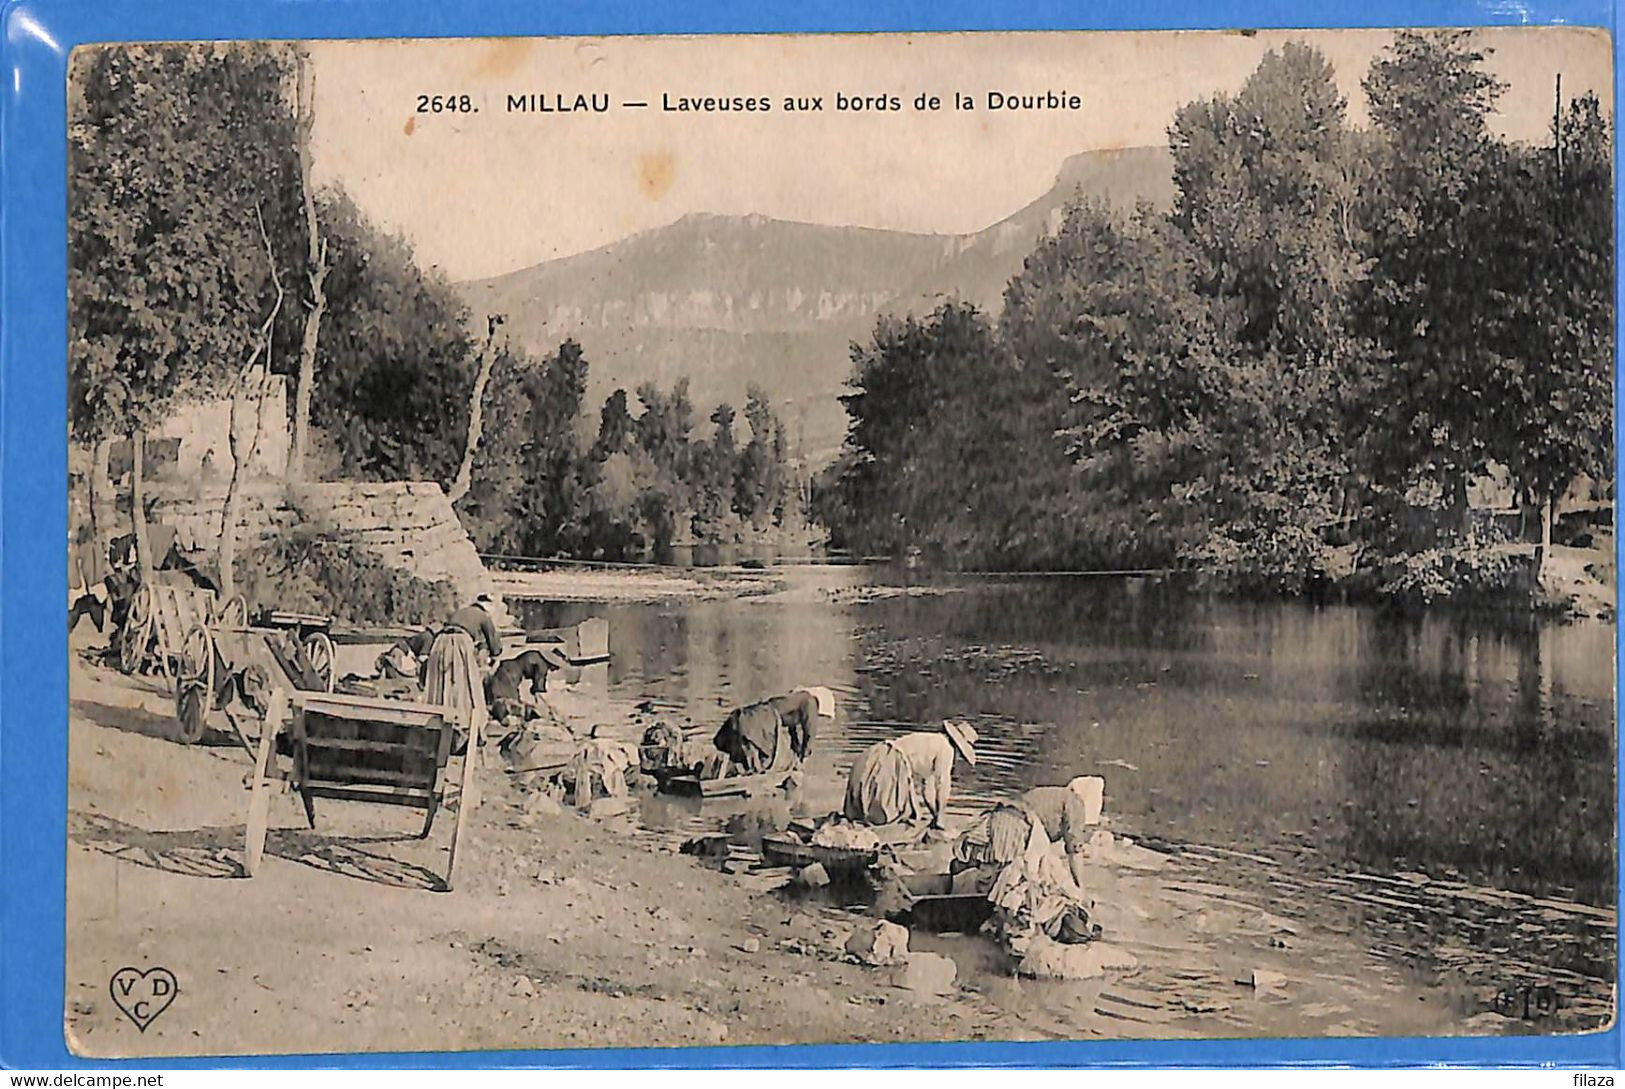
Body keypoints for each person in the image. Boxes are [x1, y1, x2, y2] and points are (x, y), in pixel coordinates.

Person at [843, 719, 977, 830]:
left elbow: (928, 791)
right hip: (893, 761)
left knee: (869, 804)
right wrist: (941, 817)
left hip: (879, 754)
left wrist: (935, 815)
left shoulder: (935, 741)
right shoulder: (946, 749)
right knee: (900, 813)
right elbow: (942, 784)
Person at [710, 686, 836, 777]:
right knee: (762, 762)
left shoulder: (797, 701)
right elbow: (810, 734)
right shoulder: (810, 702)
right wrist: (804, 760)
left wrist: (798, 753)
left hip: (754, 714)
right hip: (765, 721)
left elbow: (794, 736)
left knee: (749, 753)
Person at [1018, 777, 1106, 889]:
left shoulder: (1056, 795)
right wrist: (1080, 887)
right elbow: (1074, 851)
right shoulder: (1076, 803)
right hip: (1021, 827)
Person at [486, 645, 569, 726]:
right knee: (508, 702)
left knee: (504, 698)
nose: (556, 670)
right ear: (552, 663)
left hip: (508, 667)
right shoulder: (542, 667)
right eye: (557, 667)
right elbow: (538, 691)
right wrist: (547, 709)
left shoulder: (537, 655)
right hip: (511, 675)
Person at [443, 593, 503, 664]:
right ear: (488, 605)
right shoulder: (484, 615)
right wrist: (495, 653)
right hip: (460, 642)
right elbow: (492, 641)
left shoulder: (461, 611)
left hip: (443, 640)